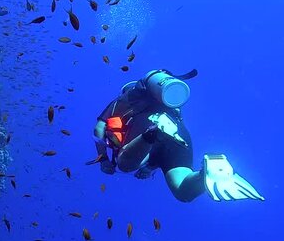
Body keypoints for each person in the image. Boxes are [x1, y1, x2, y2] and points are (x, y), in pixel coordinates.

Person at [92, 69, 264, 202]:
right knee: (183, 191)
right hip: (178, 133)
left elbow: (98, 129)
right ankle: (207, 172)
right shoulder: (168, 107)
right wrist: (149, 167)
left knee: (125, 165)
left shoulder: (123, 100)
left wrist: (104, 161)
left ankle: (153, 133)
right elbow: (157, 154)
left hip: (151, 125)